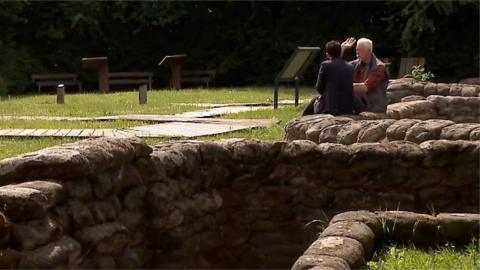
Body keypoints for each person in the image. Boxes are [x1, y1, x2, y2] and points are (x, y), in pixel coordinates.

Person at [302, 40, 360, 116]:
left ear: (327, 54)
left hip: (331, 108)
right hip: (347, 108)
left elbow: (319, 88)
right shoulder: (350, 67)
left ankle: (299, 121)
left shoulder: (325, 65)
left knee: (313, 102)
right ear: (340, 52)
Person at [341, 37, 389, 113]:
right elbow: (336, 67)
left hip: (373, 106)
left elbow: (365, 87)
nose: (357, 52)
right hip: (357, 103)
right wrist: (341, 50)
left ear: (369, 51)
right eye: (356, 49)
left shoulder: (379, 67)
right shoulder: (355, 64)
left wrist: (344, 86)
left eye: (360, 50)